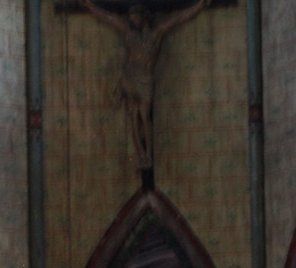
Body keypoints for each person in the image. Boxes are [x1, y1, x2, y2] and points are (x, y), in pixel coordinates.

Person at [80, 0, 207, 168]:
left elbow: (178, 19)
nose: (132, 20)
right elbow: (108, 18)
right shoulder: (128, 33)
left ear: (144, 17)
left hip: (146, 80)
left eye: (135, 16)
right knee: (134, 116)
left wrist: (199, 5)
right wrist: (89, 6)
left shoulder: (156, 34)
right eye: (131, 17)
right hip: (131, 78)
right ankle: (141, 155)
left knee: (144, 117)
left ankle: (148, 154)